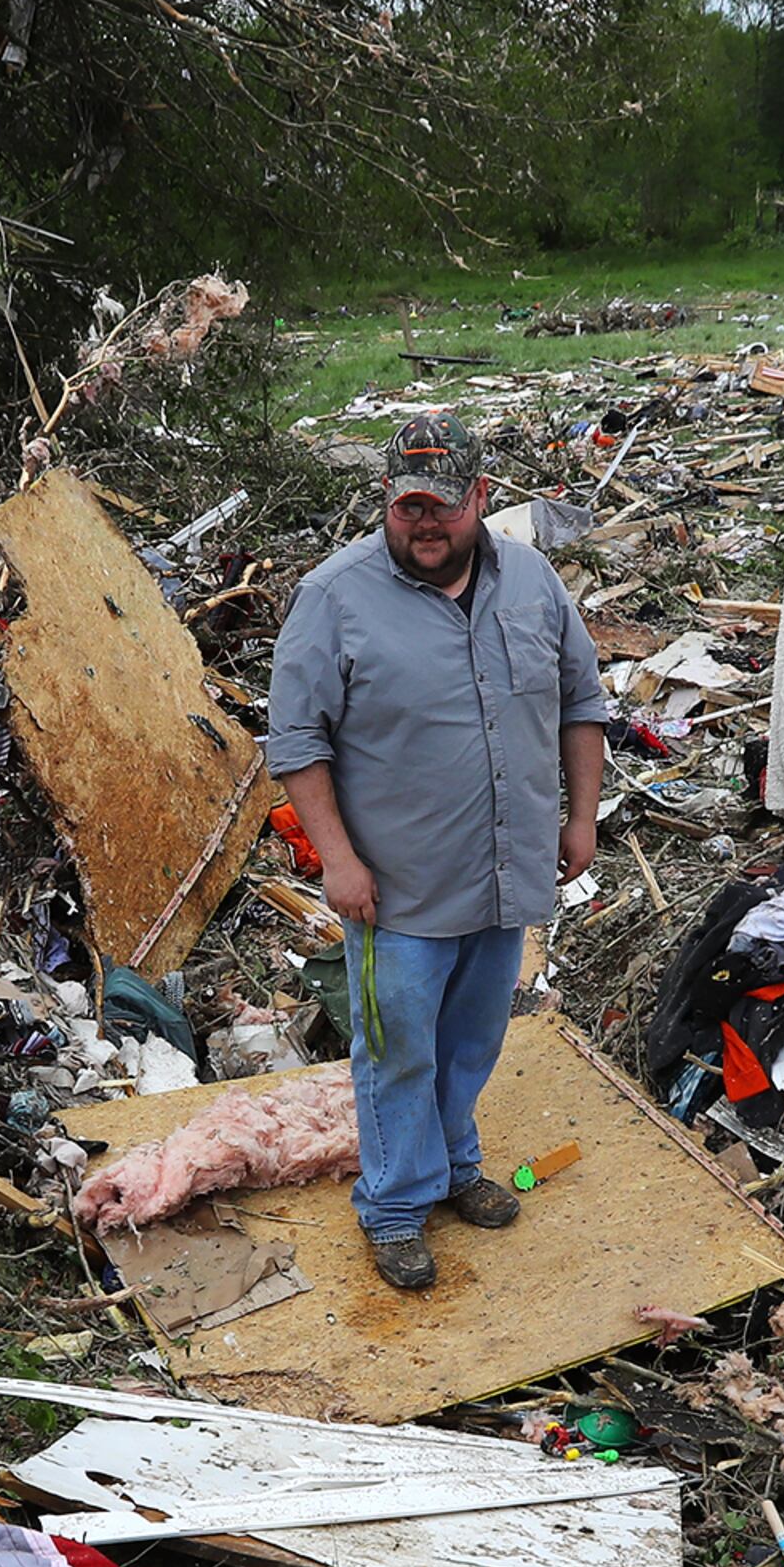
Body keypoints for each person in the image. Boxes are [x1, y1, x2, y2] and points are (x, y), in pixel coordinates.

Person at [265, 415, 614, 1294]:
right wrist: (338, 863)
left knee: (471, 1040)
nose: (424, 525)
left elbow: (581, 702)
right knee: (398, 1051)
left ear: (481, 500)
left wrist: (582, 821)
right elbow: (296, 742)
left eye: (443, 507)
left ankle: (454, 1164)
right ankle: (393, 1208)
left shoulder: (532, 581)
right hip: (397, 890)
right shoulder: (335, 595)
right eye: (406, 507)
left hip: (505, 873)